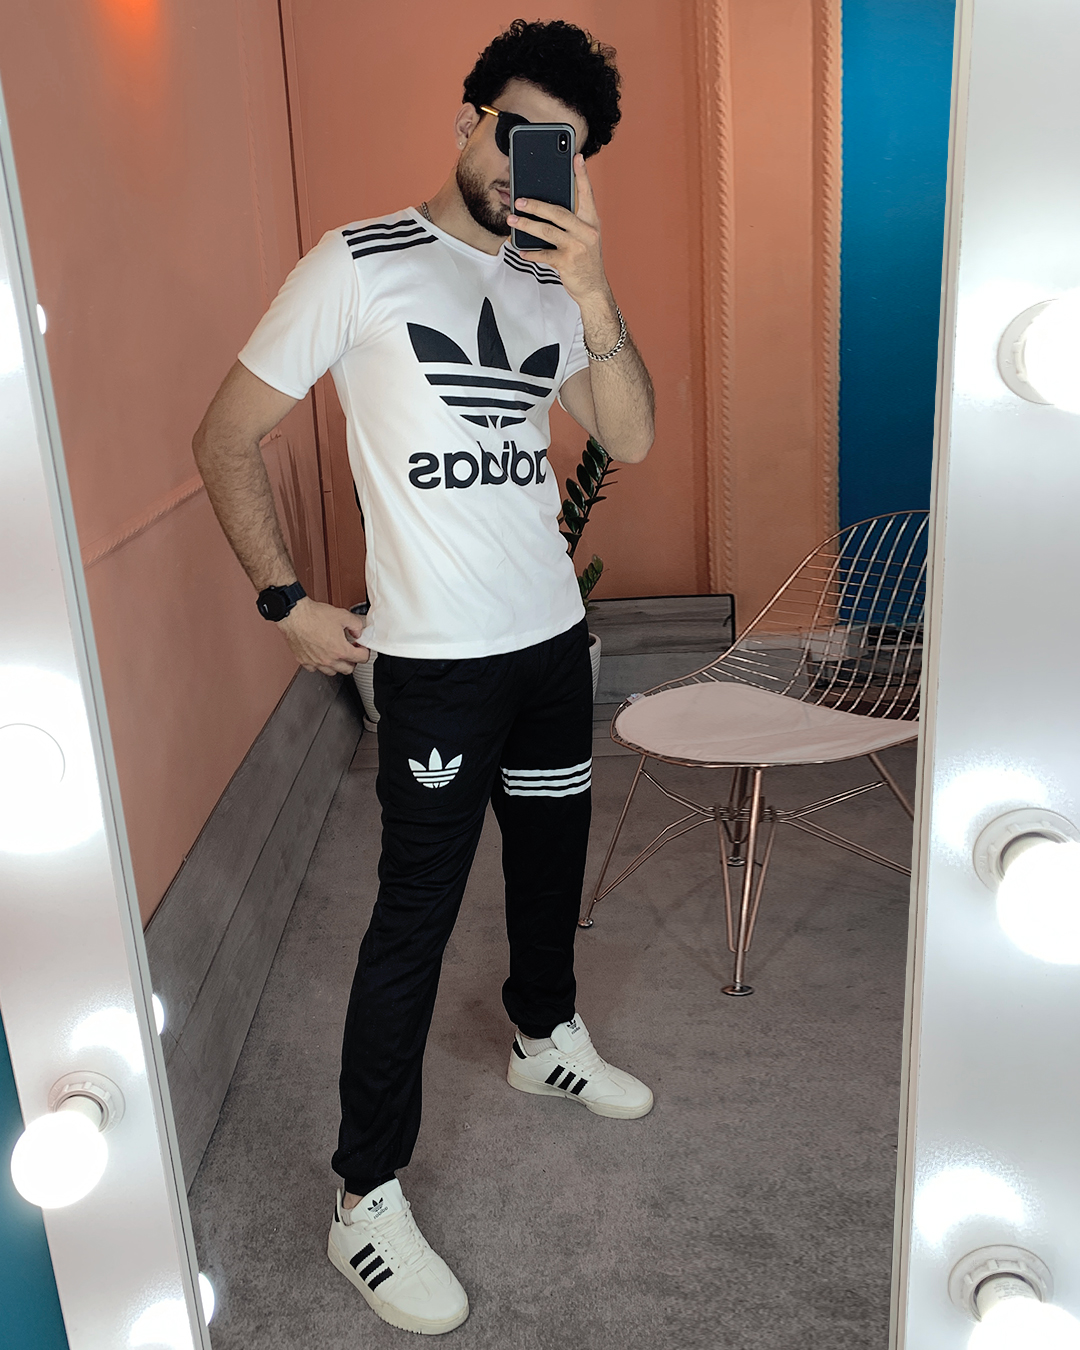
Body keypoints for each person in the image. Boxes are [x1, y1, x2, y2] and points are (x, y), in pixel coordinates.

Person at [192, 18, 655, 1336]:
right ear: (467, 119)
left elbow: (629, 436)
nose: (526, 164)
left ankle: (544, 1037)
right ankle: (364, 1199)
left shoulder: (554, 284)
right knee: (415, 919)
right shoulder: (359, 263)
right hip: (439, 669)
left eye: (559, 148)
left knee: (552, 866)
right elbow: (225, 435)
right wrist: (284, 600)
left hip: (551, 645)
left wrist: (594, 289)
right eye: (514, 132)